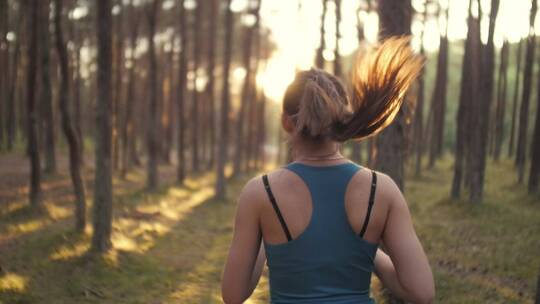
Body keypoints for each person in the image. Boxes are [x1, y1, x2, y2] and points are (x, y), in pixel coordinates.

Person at [221, 37, 435, 304]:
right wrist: (368, 252)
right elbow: (422, 292)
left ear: (286, 123)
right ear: (343, 118)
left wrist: (266, 241)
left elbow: (233, 295)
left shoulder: (260, 193)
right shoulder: (380, 189)